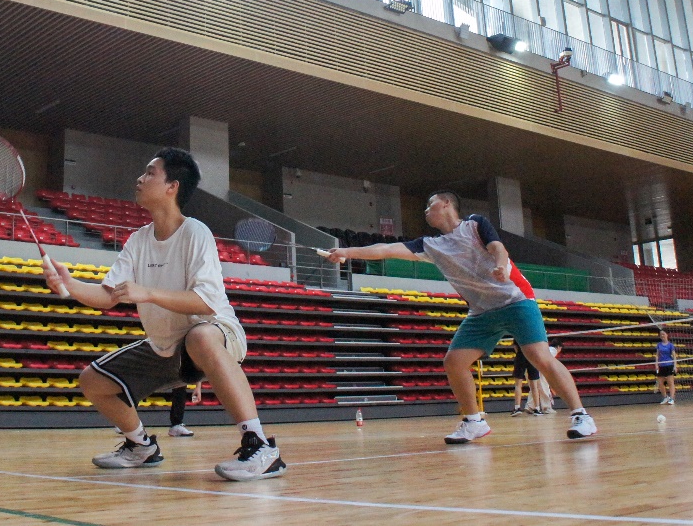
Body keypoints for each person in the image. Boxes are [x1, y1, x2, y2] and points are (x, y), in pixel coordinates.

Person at [43, 148, 286, 481]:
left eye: (150, 173)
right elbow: (108, 296)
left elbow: (206, 302)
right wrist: (70, 285)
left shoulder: (195, 233)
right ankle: (140, 446)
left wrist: (149, 293)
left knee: (200, 336)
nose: (140, 179)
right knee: (92, 381)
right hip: (165, 346)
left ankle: (260, 446)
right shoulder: (138, 240)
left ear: (172, 186)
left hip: (217, 332)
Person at [324, 190, 597, 443]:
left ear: (446, 204)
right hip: (482, 312)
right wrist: (347, 252)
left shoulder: (475, 224)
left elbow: (498, 248)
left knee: (540, 358)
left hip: (516, 300)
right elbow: (386, 250)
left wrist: (501, 266)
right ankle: (474, 421)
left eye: (430, 204)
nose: (426, 211)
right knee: (454, 362)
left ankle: (581, 416)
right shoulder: (430, 245)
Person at [509, 339, 540, 416]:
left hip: (520, 356)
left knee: (518, 385)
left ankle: (517, 408)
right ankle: (537, 409)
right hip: (532, 357)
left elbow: (515, 347)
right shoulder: (532, 335)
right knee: (534, 386)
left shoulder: (517, 336)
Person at [654, 329, 677, 405]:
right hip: (661, 365)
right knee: (660, 383)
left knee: (670, 382)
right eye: (661, 334)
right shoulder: (659, 345)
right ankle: (665, 397)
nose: (662, 335)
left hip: (669, 365)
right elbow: (657, 355)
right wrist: (656, 364)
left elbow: (674, 356)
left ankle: (672, 398)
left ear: (667, 335)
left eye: (663, 334)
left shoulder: (670, 345)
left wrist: (675, 366)